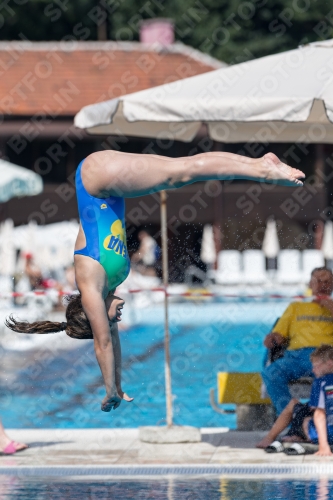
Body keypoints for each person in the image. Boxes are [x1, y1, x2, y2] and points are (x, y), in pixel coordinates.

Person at [5, 150, 305, 412]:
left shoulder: (91, 284)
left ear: (91, 313)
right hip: (106, 184)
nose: (117, 319)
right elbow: (112, 338)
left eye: (109, 319)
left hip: (95, 180)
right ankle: (259, 165)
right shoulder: (110, 284)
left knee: (181, 172)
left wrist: (108, 388)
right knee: (181, 171)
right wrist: (119, 385)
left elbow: (104, 342)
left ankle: (262, 167)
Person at [262, 267, 333, 415]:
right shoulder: (296, 307)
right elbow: (279, 335)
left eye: (327, 282)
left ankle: (323, 420)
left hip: (326, 356)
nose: (322, 286)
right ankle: (293, 418)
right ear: (310, 285)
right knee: (270, 373)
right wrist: (272, 339)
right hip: (296, 357)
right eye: (318, 281)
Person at [257, 344, 333, 456]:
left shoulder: (321, 382)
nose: (312, 370)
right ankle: (295, 434)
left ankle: (270, 438)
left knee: (299, 410)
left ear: (330, 364)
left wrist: (323, 446)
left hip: (325, 436)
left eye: (316, 366)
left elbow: (319, 414)